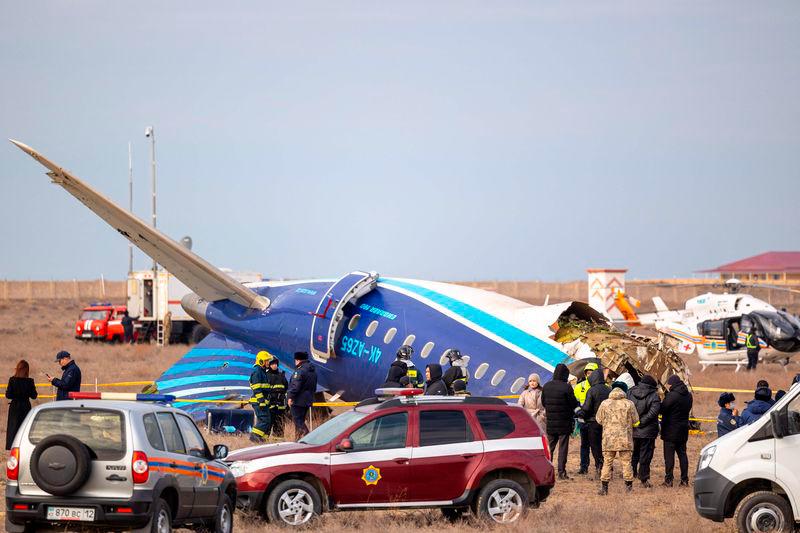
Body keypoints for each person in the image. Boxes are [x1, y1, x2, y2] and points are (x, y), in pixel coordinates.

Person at [596, 381, 639, 495]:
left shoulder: (604, 403)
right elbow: (636, 420)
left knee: (607, 462)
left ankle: (604, 488)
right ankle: (629, 488)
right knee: (626, 463)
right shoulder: (629, 404)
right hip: (625, 439)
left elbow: (599, 420)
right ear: (624, 391)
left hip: (609, 439)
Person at [541, 363, 579, 480]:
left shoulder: (547, 386)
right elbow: (573, 403)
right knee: (563, 448)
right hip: (564, 422)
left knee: (550, 448)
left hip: (551, 423)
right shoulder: (566, 387)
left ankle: (547, 472)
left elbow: (543, 403)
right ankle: (561, 472)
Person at [628, 375, 661, 487]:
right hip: (648, 431)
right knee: (645, 455)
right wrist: (641, 422)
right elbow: (653, 412)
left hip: (633, 429)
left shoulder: (630, 392)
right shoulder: (654, 395)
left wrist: (635, 422)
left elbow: (627, 408)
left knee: (634, 453)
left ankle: (631, 474)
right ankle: (643, 478)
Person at [660, 375, 693, 487]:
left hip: (670, 430)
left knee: (669, 457)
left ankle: (669, 480)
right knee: (683, 455)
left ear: (672, 384)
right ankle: (684, 480)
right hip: (683, 430)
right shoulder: (688, 395)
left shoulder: (672, 396)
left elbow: (662, 409)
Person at [579, 365, 610, 477]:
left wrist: (579, 413)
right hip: (607, 423)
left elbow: (587, 408)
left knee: (595, 446)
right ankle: (608, 467)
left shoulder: (591, 390)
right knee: (606, 446)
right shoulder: (608, 389)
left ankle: (599, 466)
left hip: (593, 422)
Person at [5, 360, 37, 450]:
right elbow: (34, 396)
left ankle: (13, 448)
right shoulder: (30, 381)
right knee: (24, 428)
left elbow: (8, 395)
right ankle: (24, 447)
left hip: (15, 407)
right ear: (27, 370)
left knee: (13, 428)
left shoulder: (12, 380)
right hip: (25, 406)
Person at [574, 362, 598, 475]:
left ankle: (600, 465)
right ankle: (584, 467)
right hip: (583, 420)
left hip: (596, 421)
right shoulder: (579, 386)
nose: (590, 375)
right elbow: (575, 402)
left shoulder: (603, 387)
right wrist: (579, 413)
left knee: (597, 445)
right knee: (584, 445)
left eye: (592, 373)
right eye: (588, 373)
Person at [287, 351, 317, 440]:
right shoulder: (312, 371)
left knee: (298, 421)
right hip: (308, 400)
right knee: (300, 422)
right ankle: (298, 440)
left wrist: (290, 397)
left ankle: (309, 438)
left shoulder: (300, 371)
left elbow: (295, 386)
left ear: (298, 360)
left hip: (298, 400)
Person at [248, 351, 271, 442]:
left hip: (262, 402)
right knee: (264, 420)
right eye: (266, 361)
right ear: (261, 361)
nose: (268, 362)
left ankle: (262, 439)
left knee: (267, 420)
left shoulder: (262, 371)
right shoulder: (257, 372)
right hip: (259, 402)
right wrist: (261, 401)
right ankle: (254, 436)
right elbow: (257, 388)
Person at [265, 356, 288, 438]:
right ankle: (264, 444)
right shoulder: (266, 376)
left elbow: (286, 388)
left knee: (279, 428)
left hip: (280, 408)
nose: (274, 365)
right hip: (270, 407)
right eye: (272, 364)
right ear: (269, 365)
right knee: (267, 427)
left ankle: (279, 444)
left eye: (275, 364)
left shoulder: (282, 376)